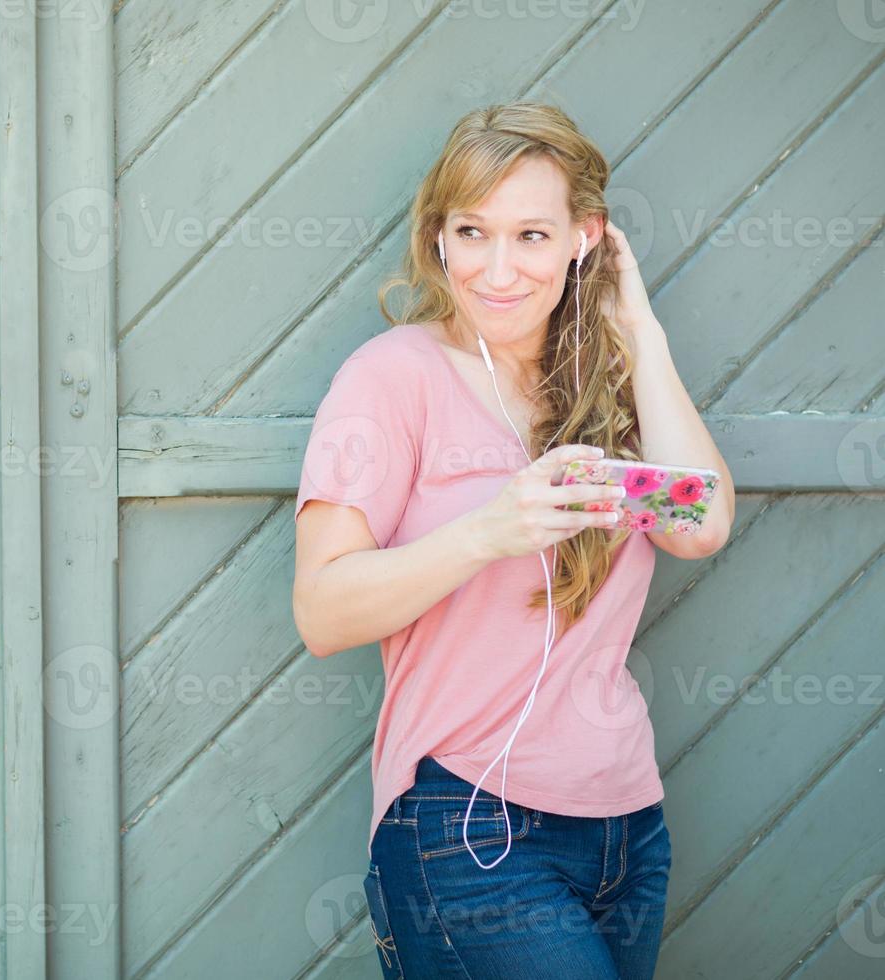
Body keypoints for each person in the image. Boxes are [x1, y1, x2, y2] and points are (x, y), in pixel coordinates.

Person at [291, 101, 735, 979]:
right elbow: (323, 611)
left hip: (627, 827)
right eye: (472, 232)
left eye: (532, 235)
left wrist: (638, 334)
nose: (498, 269)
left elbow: (699, 523)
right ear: (439, 239)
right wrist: (488, 531)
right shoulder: (392, 380)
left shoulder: (603, 390)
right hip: (468, 829)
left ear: (584, 239)